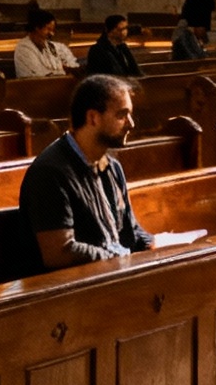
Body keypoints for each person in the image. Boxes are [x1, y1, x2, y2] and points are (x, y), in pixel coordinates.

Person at [20, 75, 154, 268]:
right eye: (121, 115)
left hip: (110, 275)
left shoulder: (112, 167)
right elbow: (60, 253)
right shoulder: (51, 172)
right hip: (68, 289)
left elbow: (129, 230)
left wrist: (153, 243)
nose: (131, 124)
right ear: (93, 117)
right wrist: (120, 258)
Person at [12, 8, 77, 79]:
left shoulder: (53, 46)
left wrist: (70, 68)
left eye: (53, 30)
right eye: (48, 29)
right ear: (37, 27)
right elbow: (39, 76)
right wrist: (62, 71)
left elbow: (73, 64)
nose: (52, 34)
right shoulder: (23, 49)